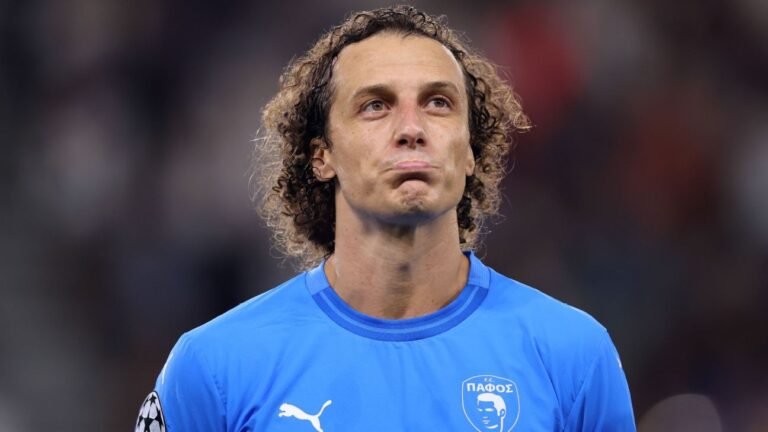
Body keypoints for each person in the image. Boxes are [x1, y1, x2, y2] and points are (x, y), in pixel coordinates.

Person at [135, 5, 635, 431]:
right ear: (322, 155)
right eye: (376, 106)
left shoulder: (571, 357)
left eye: (438, 103)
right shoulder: (214, 368)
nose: (411, 129)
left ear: (469, 151)